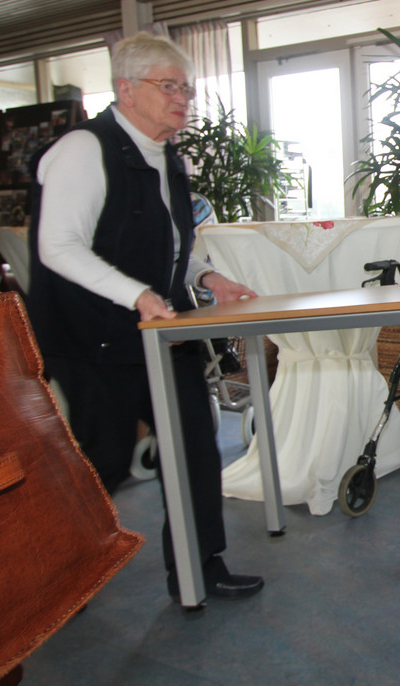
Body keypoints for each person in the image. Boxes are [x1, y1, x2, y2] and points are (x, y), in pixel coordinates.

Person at [28, 32, 264, 601]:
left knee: (195, 444)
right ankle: (58, 579)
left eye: (187, 88)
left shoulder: (166, 156)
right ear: (126, 89)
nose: (182, 98)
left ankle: (198, 568)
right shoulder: (84, 149)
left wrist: (206, 278)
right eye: (168, 86)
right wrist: (136, 294)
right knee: (103, 460)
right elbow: (57, 246)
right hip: (93, 339)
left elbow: (171, 245)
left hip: (161, 333)